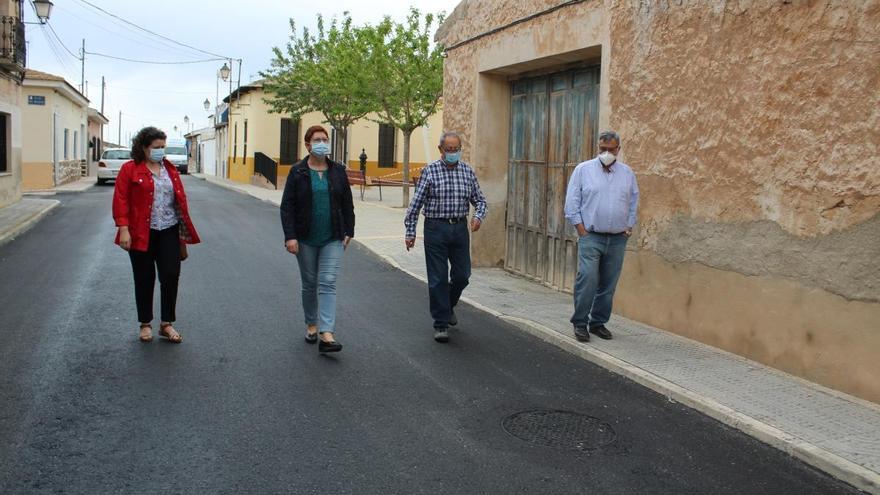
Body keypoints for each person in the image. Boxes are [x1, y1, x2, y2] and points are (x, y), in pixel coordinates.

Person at [112, 126, 200, 343]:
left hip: (168, 230)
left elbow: (180, 203)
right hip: (141, 232)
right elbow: (121, 199)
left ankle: (166, 323)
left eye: (163, 147)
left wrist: (182, 239)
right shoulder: (130, 170)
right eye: (156, 147)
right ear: (143, 148)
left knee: (170, 275)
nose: (161, 151)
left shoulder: (170, 170)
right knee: (144, 277)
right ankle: (145, 323)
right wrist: (123, 229)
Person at [404, 131, 488, 343]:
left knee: (462, 275)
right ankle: (440, 323)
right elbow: (415, 205)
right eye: (448, 149)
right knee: (438, 278)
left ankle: (448, 305)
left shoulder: (467, 172)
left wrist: (478, 216)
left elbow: (480, 201)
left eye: (456, 149)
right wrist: (410, 231)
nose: (452, 153)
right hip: (435, 229)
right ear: (440, 150)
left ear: (460, 149)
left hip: (459, 229)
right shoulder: (430, 171)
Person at [280, 125, 355, 354]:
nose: (323, 143)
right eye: (317, 140)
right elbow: (287, 206)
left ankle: (327, 333)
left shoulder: (338, 171)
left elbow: (347, 203)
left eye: (325, 139)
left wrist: (349, 230)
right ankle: (311, 323)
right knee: (310, 283)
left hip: (332, 236)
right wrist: (290, 236)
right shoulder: (298, 172)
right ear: (307, 144)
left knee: (328, 281)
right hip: (305, 238)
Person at [563, 130, 639, 342]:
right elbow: (572, 201)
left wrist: (628, 226)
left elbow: (633, 201)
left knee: (608, 283)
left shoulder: (627, 173)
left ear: (618, 149)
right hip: (591, 236)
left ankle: (598, 322)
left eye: (610, 149)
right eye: (602, 149)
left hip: (617, 238)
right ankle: (580, 322)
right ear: (598, 148)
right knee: (588, 279)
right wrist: (581, 228)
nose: (606, 153)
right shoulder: (583, 170)